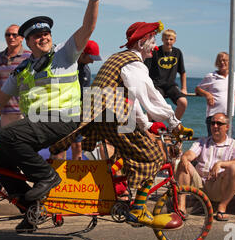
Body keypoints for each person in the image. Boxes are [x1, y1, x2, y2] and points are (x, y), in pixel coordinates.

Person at [0, 0, 103, 233]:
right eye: (37, 36)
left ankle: (47, 177)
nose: (43, 38)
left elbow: (87, 28)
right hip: (38, 124)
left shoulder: (65, 53)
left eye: (46, 34)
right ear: (27, 42)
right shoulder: (23, 69)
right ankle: (32, 210)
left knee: (7, 134)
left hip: (63, 118)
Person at [50, 20, 193, 229]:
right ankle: (138, 208)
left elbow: (131, 99)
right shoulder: (134, 63)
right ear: (143, 41)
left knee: (129, 151)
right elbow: (149, 95)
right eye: (152, 41)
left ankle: (120, 192)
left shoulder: (120, 58)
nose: (155, 47)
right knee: (154, 155)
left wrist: (145, 125)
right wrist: (174, 123)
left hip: (102, 114)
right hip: (111, 114)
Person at [175, 113, 235, 221]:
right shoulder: (202, 142)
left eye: (219, 123)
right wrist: (185, 157)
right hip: (200, 185)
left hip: (219, 186)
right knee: (184, 163)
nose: (215, 126)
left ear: (227, 127)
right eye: (212, 123)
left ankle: (222, 207)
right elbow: (191, 154)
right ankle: (181, 207)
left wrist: (220, 164)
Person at [0, 24, 31, 127]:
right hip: (5, 111)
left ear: (22, 38)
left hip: (24, 111)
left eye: (14, 35)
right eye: (8, 35)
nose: (11, 37)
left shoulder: (29, 56)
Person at [144, 29, 187, 120]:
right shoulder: (155, 51)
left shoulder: (177, 52)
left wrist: (184, 88)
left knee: (183, 102)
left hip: (170, 85)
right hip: (156, 85)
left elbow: (182, 72)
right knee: (154, 106)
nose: (168, 41)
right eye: (166, 39)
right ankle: (146, 128)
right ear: (162, 39)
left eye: (171, 39)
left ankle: (173, 127)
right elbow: (145, 70)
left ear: (174, 40)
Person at [70, 40, 102, 160]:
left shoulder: (85, 70)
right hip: (63, 109)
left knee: (77, 145)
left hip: (77, 111)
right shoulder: (68, 66)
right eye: (91, 57)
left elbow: (86, 95)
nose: (93, 61)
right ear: (82, 54)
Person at [195, 52, 235, 136]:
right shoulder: (211, 76)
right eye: (220, 61)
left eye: (225, 60)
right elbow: (198, 89)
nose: (222, 62)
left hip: (228, 116)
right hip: (213, 116)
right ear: (216, 63)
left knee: (228, 142)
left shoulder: (234, 75)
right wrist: (207, 94)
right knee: (213, 142)